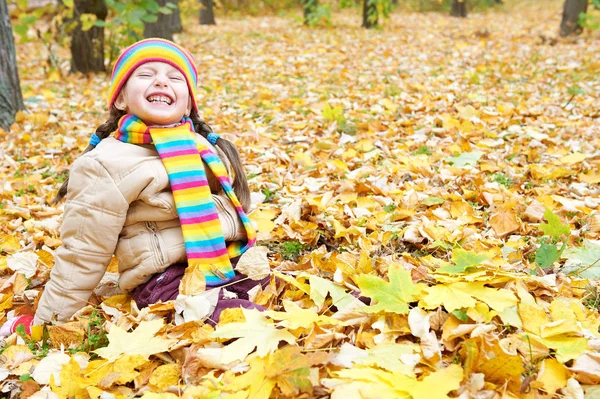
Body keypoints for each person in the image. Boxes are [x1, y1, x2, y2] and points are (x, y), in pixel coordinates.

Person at [5, 39, 267, 333]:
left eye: (174, 78)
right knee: (247, 322)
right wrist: (46, 325)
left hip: (223, 262)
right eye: (145, 74)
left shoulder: (202, 147)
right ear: (121, 99)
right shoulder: (106, 163)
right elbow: (82, 253)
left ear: (189, 102)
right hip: (165, 281)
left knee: (270, 295)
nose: (161, 82)